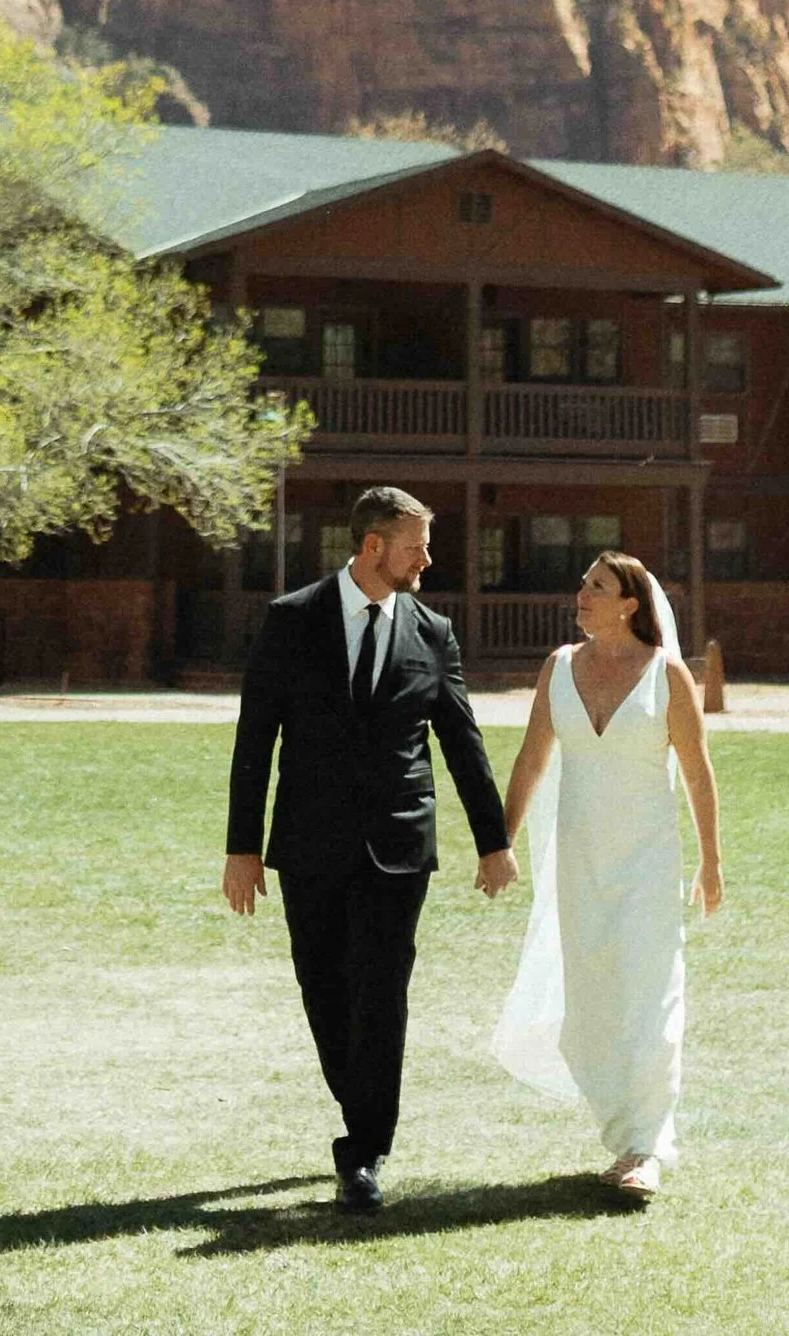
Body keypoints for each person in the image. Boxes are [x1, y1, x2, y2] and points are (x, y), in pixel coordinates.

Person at [224, 485, 518, 1213]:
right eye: (417, 543)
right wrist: (242, 848)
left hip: (399, 846)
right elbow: (255, 738)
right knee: (324, 989)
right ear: (373, 547)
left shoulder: (434, 632)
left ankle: (363, 1151)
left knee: (381, 995)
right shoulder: (291, 621)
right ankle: (362, 1115)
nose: (428, 557)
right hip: (309, 843)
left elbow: (461, 741)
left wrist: (494, 842)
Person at [491, 550, 722, 1202]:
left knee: (650, 999)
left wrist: (711, 861)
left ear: (630, 604)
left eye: (597, 587)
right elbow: (531, 760)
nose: (582, 594)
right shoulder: (558, 669)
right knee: (591, 1008)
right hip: (579, 865)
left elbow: (699, 774)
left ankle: (645, 1146)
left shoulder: (666, 676)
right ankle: (623, 1131)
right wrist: (498, 843)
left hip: (649, 866)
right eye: (583, 585)